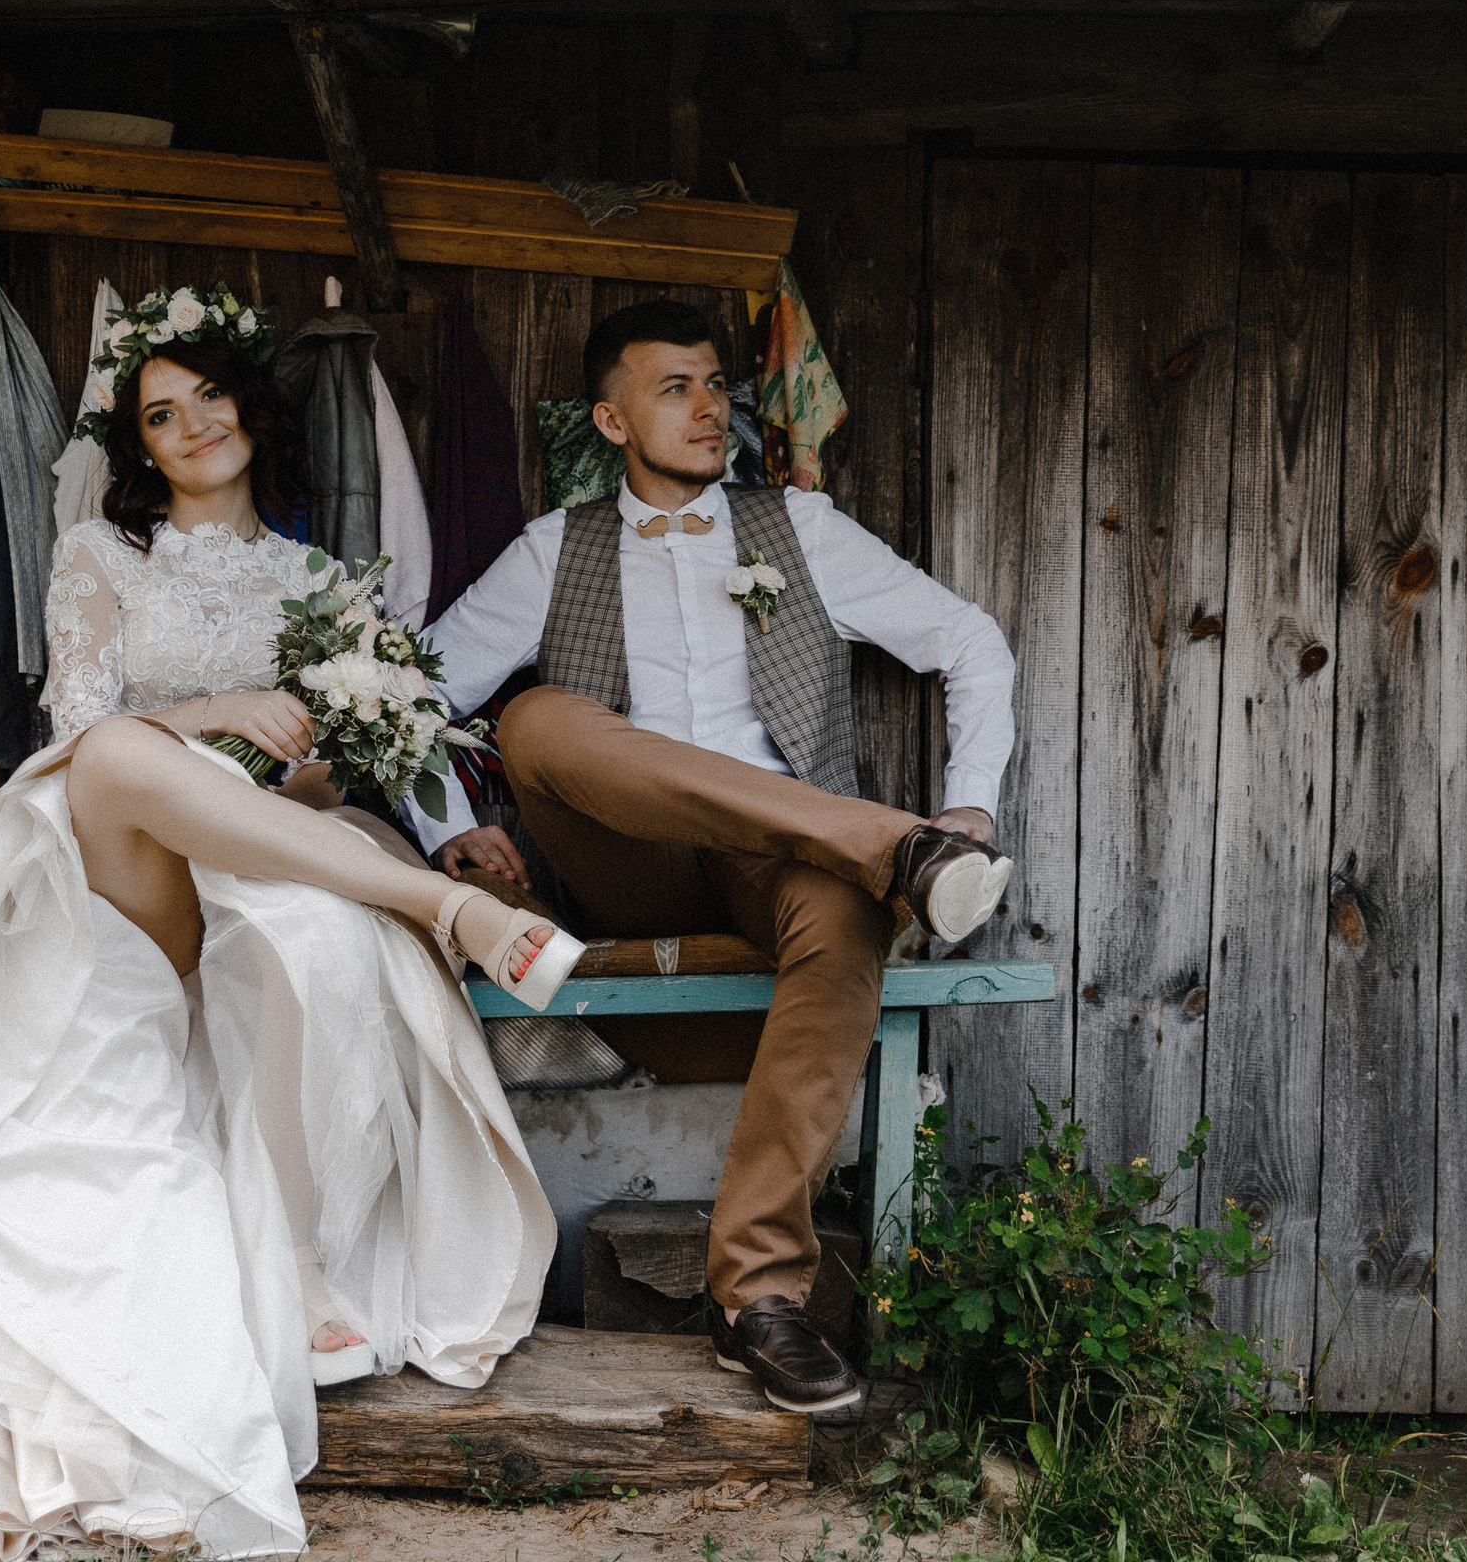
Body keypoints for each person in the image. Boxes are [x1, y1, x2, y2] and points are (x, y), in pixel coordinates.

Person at [0, 316, 571, 1562]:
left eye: (210, 399)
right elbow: (75, 729)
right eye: (161, 416)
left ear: (252, 410)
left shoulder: (320, 585)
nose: (194, 427)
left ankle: (303, 1259)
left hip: (259, 855)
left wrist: (295, 782)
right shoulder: (98, 553)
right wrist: (223, 711)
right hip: (117, 847)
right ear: (140, 450)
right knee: (127, 746)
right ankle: (456, 914)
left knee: (299, 946)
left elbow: (337, 784)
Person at [411, 299, 1016, 1416]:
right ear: (609, 417)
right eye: (673, 389)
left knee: (846, 915)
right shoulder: (556, 548)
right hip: (623, 860)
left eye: (714, 386)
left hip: (775, 859)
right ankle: (895, 847)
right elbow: (410, 697)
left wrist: (972, 805)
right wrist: (449, 820)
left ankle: (759, 1302)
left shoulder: (803, 531)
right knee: (539, 716)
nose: (708, 410)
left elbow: (969, 640)